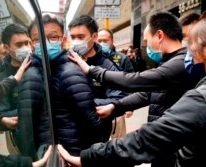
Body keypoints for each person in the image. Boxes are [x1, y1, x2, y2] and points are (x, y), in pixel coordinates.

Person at [57, 15, 206, 167]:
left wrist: (92, 71)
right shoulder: (169, 62)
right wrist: (116, 107)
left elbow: (134, 80)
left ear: (159, 36)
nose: (191, 51)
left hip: (171, 147)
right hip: (165, 150)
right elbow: (147, 94)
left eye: (194, 45)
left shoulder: (179, 65)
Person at [28, 13, 105, 157]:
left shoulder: (70, 73)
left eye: (52, 37)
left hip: (70, 153)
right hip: (46, 153)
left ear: (62, 40)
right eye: (38, 39)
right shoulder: (34, 72)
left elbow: (91, 121)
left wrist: (89, 157)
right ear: (31, 44)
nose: (45, 43)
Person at [68, 15, 128, 141]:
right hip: (70, 132)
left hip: (98, 133)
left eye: (80, 37)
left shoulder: (107, 66)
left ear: (94, 37)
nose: (76, 42)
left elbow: (119, 97)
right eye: (73, 37)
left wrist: (86, 103)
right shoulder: (67, 62)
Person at [97, 28, 134, 138]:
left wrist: (130, 106)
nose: (102, 43)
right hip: (98, 107)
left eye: (105, 40)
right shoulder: (93, 59)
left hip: (117, 106)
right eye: (99, 41)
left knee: (118, 141)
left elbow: (131, 82)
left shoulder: (122, 59)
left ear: (112, 41)